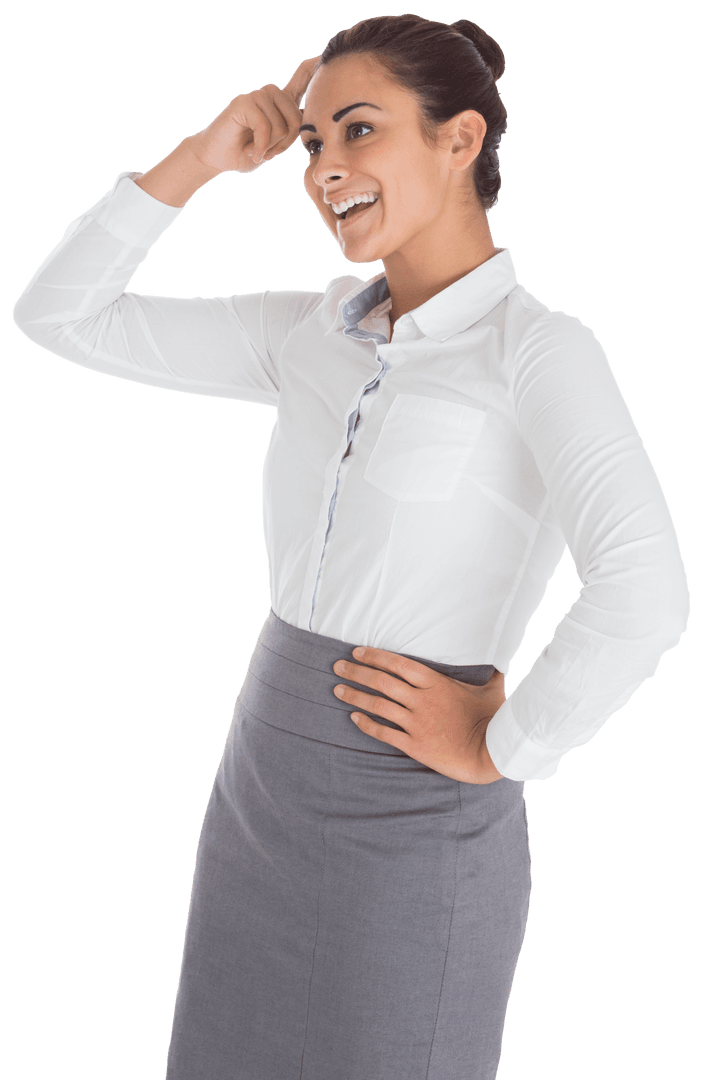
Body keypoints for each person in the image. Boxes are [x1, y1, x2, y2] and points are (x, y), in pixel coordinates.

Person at [12, 13, 690, 1080]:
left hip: (415, 808)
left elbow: (644, 588)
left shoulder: (540, 353)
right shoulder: (308, 333)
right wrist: (201, 157)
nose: (323, 168)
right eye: (313, 143)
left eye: (358, 131)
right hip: (261, 782)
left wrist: (505, 746)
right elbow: (59, 317)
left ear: (458, 141)